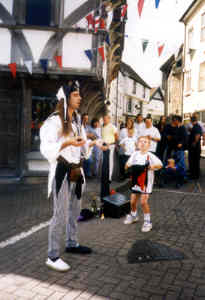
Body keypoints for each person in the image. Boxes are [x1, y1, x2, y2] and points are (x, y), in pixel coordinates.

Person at [40, 81, 95, 272]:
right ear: (65, 98)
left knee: (73, 212)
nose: (80, 98)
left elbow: (83, 149)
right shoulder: (54, 121)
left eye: (79, 95)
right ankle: (52, 255)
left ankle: (72, 243)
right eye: (75, 95)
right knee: (60, 214)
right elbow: (46, 149)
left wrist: (91, 144)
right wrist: (68, 142)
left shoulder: (77, 120)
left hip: (77, 172)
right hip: (62, 173)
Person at [124, 136, 162, 232]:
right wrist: (128, 167)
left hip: (146, 182)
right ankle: (134, 216)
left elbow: (160, 165)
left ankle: (147, 222)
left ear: (149, 145)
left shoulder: (150, 156)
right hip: (136, 181)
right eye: (140, 141)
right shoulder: (135, 154)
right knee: (132, 202)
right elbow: (127, 165)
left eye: (145, 142)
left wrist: (151, 167)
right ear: (137, 144)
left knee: (143, 202)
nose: (142, 143)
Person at [101, 114, 118, 182]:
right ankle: (104, 176)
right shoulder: (102, 126)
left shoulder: (112, 127)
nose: (104, 120)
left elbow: (116, 136)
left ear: (109, 119)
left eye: (106, 119)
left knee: (110, 161)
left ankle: (109, 177)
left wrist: (112, 143)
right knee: (103, 161)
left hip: (110, 145)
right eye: (104, 119)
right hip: (103, 145)